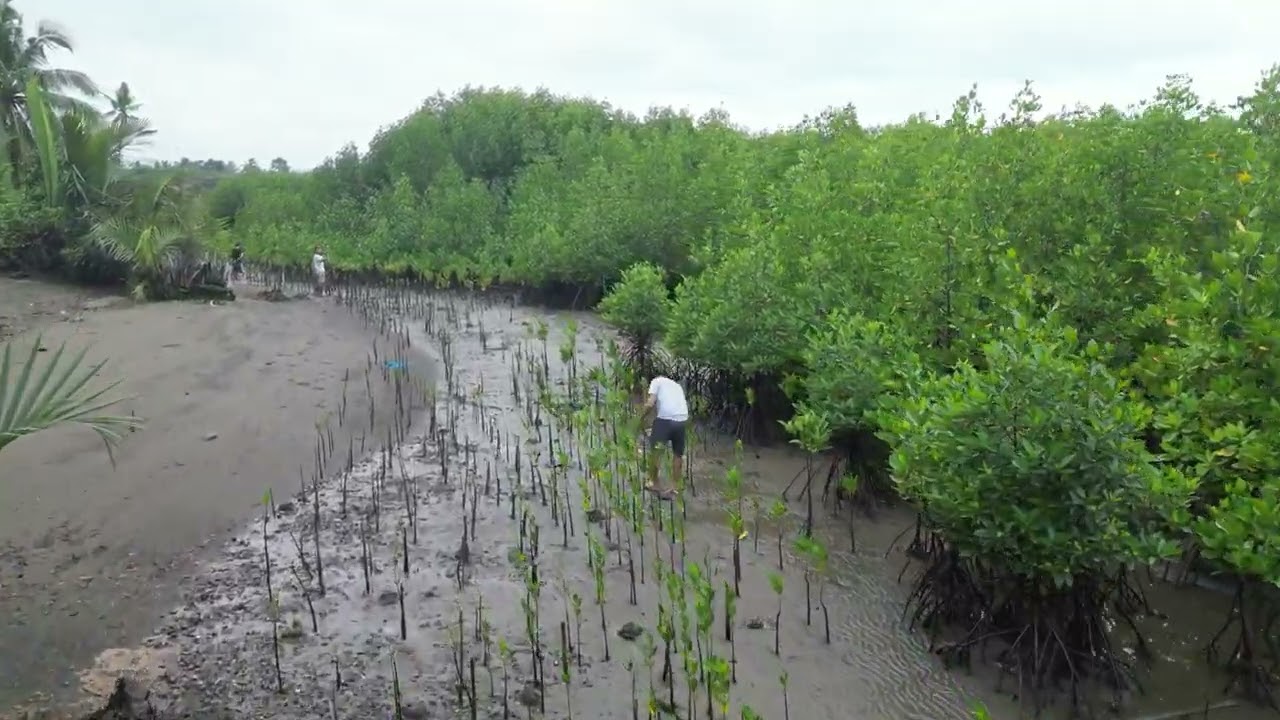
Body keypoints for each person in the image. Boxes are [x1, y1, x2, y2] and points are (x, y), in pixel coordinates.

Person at [642, 375, 689, 499]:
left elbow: (650, 403)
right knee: (678, 454)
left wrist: (639, 418)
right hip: (682, 419)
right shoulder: (676, 386)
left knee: (655, 452)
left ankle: (654, 483)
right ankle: (674, 487)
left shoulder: (655, 381)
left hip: (666, 418)